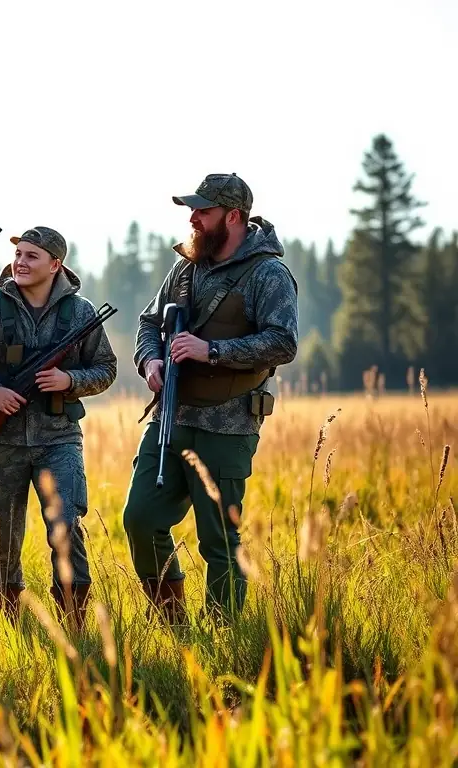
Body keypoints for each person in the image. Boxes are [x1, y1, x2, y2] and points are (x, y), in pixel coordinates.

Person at [122, 173, 298, 623]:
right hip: (171, 416)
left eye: (203, 210)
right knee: (140, 520)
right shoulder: (185, 266)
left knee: (218, 540)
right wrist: (151, 361)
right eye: (192, 211)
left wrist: (212, 350)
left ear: (233, 216)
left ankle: (223, 639)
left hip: (229, 424)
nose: (194, 219)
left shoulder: (268, 273)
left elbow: (283, 343)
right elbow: (148, 322)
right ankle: (174, 624)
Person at [0, 226, 117, 630]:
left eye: (32, 256)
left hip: (59, 438)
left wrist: (71, 381)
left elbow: (107, 368)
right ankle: (4, 626)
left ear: (55, 265)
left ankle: (74, 625)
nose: (20, 262)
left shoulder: (80, 313)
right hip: (2, 439)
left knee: (66, 528)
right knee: (3, 535)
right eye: (18, 254)